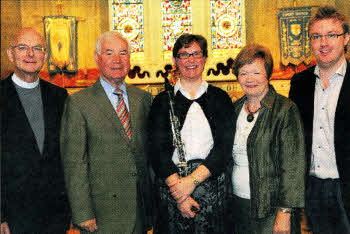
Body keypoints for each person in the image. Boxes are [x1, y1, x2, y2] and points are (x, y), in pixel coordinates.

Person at [60, 31, 154, 233]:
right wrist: (82, 213)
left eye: (123, 53)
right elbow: (74, 163)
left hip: (139, 209)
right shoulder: (79, 103)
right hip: (102, 214)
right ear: (97, 58)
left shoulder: (143, 99)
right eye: (109, 53)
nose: (117, 60)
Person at [148, 34, 235, 233]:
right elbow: (157, 151)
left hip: (212, 188)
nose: (191, 60)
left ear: (205, 58)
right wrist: (181, 194)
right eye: (184, 55)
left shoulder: (220, 98)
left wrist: (192, 181)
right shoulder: (162, 101)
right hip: (173, 188)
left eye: (196, 54)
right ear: (174, 61)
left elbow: (224, 148)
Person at [229, 44, 306, 234]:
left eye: (256, 72)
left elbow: (293, 167)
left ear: (267, 74)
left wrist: (285, 213)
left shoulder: (285, 110)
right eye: (244, 72)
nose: (250, 79)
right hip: (238, 204)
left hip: (272, 209)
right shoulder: (235, 108)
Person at [0, 28, 71, 233]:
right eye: (22, 47)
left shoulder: (59, 97)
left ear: (45, 56)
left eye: (37, 48)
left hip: (55, 214)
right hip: (13, 216)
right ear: (10, 54)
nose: (30, 54)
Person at [289, 6, 350, 234]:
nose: (323, 43)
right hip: (314, 189)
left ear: (345, 38)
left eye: (331, 35)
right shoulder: (300, 83)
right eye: (316, 36)